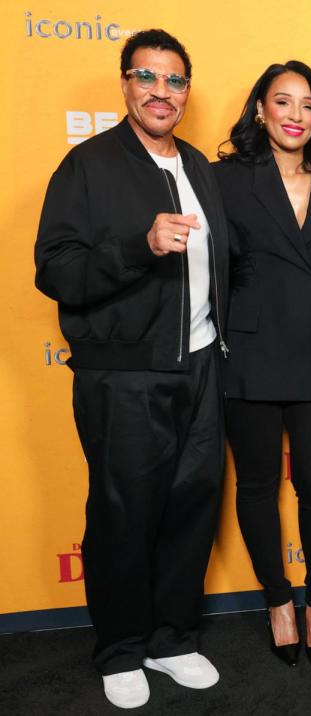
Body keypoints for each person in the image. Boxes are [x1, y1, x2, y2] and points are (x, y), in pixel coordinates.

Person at [35, 29, 227, 709]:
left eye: (174, 80)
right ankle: (121, 647)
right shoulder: (88, 165)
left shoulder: (202, 168)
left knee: (191, 506)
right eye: (146, 76)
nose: (160, 91)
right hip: (124, 374)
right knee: (122, 513)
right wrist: (138, 246)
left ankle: (172, 639)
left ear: (185, 91)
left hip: (201, 367)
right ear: (125, 84)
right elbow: (55, 270)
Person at [213, 61, 311, 670]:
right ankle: (278, 600)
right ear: (261, 110)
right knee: (255, 485)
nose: (296, 115)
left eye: (308, 105)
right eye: (283, 102)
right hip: (247, 348)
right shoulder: (223, 179)